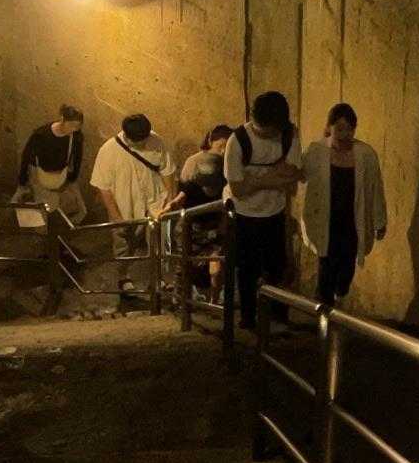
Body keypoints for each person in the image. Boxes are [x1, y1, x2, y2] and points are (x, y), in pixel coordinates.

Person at [224, 92, 302, 330]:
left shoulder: (288, 134)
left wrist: (255, 179)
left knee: (277, 266)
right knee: (247, 268)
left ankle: (278, 317)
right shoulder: (238, 141)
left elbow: (292, 177)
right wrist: (273, 175)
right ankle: (248, 317)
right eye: (267, 130)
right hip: (244, 215)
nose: (272, 135)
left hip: (275, 212)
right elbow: (238, 189)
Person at [300, 103, 387, 307]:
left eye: (349, 129)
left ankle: (337, 296)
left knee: (346, 269)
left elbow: (375, 188)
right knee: (326, 266)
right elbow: (301, 173)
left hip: (351, 222)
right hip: (325, 219)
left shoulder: (366, 155)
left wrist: (380, 221)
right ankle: (324, 311)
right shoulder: (317, 151)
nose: (344, 134)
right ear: (329, 127)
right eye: (339, 128)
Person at [90, 113, 176, 265]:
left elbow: (167, 171)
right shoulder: (108, 151)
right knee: (123, 248)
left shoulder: (156, 141)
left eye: (145, 139)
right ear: (127, 137)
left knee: (163, 244)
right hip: (125, 207)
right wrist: (116, 218)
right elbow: (103, 188)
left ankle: (163, 272)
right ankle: (123, 274)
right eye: (139, 142)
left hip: (156, 202)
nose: (143, 144)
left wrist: (170, 202)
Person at [161, 125, 233, 299]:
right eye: (221, 146)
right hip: (192, 227)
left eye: (227, 147)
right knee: (185, 265)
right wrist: (168, 208)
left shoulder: (229, 169)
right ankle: (183, 300)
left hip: (214, 227)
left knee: (216, 265)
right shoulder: (194, 168)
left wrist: (224, 225)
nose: (223, 151)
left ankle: (213, 300)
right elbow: (182, 195)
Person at [14, 105, 86, 222]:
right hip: (41, 176)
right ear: (62, 119)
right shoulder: (41, 135)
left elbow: (77, 158)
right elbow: (27, 157)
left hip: (61, 176)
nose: (73, 129)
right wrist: (22, 181)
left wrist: (72, 178)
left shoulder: (76, 136)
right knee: (42, 213)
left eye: (77, 126)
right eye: (71, 125)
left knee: (80, 210)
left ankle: (60, 226)